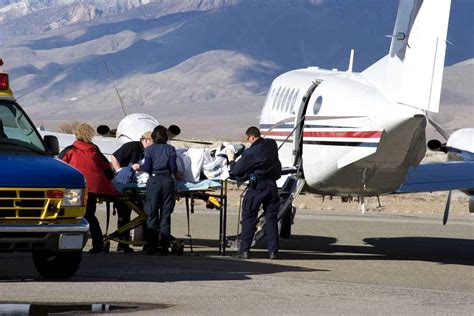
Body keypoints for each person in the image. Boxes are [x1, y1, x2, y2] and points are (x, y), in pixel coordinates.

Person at [59, 123, 117, 254]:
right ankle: (98, 244)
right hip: (93, 188)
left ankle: (70, 243)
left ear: (76, 134)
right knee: (90, 215)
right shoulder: (95, 151)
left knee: (71, 215)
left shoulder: (71, 150)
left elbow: (59, 165)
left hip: (74, 188)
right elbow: (107, 170)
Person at [229, 126, 282, 260]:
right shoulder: (271, 145)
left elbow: (237, 171)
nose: (248, 141)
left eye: (248, 139)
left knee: (249, 217)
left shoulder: (251, 152)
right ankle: (273, 252)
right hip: (271, 186)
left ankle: (244, 251)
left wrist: (231, 160)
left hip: (257, 186)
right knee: (271, 218)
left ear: (251, 137)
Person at [133, 125, 181, 255]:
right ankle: (164, 245)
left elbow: (147, 167)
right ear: (165, 136)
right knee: (166, 214)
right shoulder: (170, 149)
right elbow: (173, 167)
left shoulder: (149, 150)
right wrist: (177, 175)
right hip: (167, 182)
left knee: (152, 213)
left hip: (154, 182)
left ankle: (151, 246)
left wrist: (138, 167)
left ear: (153, 136)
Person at [111, 131, 154, 252]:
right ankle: (122, 244)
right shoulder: (132, 146)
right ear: (146, 140)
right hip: (125, 187)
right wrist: (120, 172)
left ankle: (146, 244)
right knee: (124, 216)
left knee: (145, 215)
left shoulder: (149, 152)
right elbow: (114, 157)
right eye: (153, 142)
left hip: (139, 189)